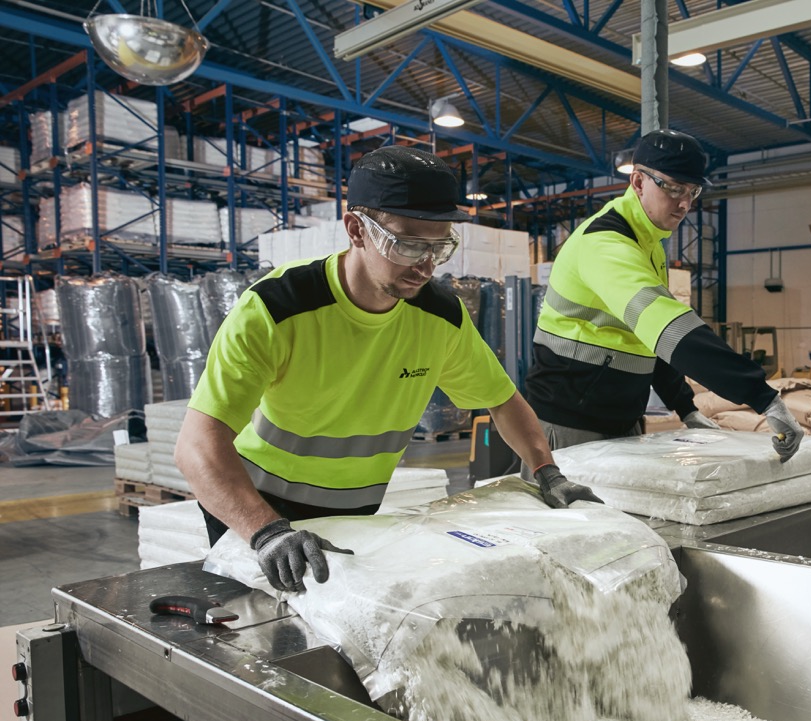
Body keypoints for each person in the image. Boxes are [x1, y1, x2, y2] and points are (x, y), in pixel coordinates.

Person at [175, 145, 599, 594]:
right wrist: (266, 531)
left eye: (440, 246)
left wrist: (546, 472)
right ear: (356, 229)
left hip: (357, 513)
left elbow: (503, 402)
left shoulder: (440, 317)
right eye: (409, 243)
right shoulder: (278, 307)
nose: (426, 264)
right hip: (259, 507)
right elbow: (197, 446)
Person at [523, 128, 803, 462]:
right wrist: (765, 398)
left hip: (620, 419)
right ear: (638, 183)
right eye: (673, 188)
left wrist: (685, 407)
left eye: (692, 190)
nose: (685, 202)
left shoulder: (649, 244)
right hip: (568, 422)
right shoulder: (605, 244)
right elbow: (674, 332)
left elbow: (651, 340)